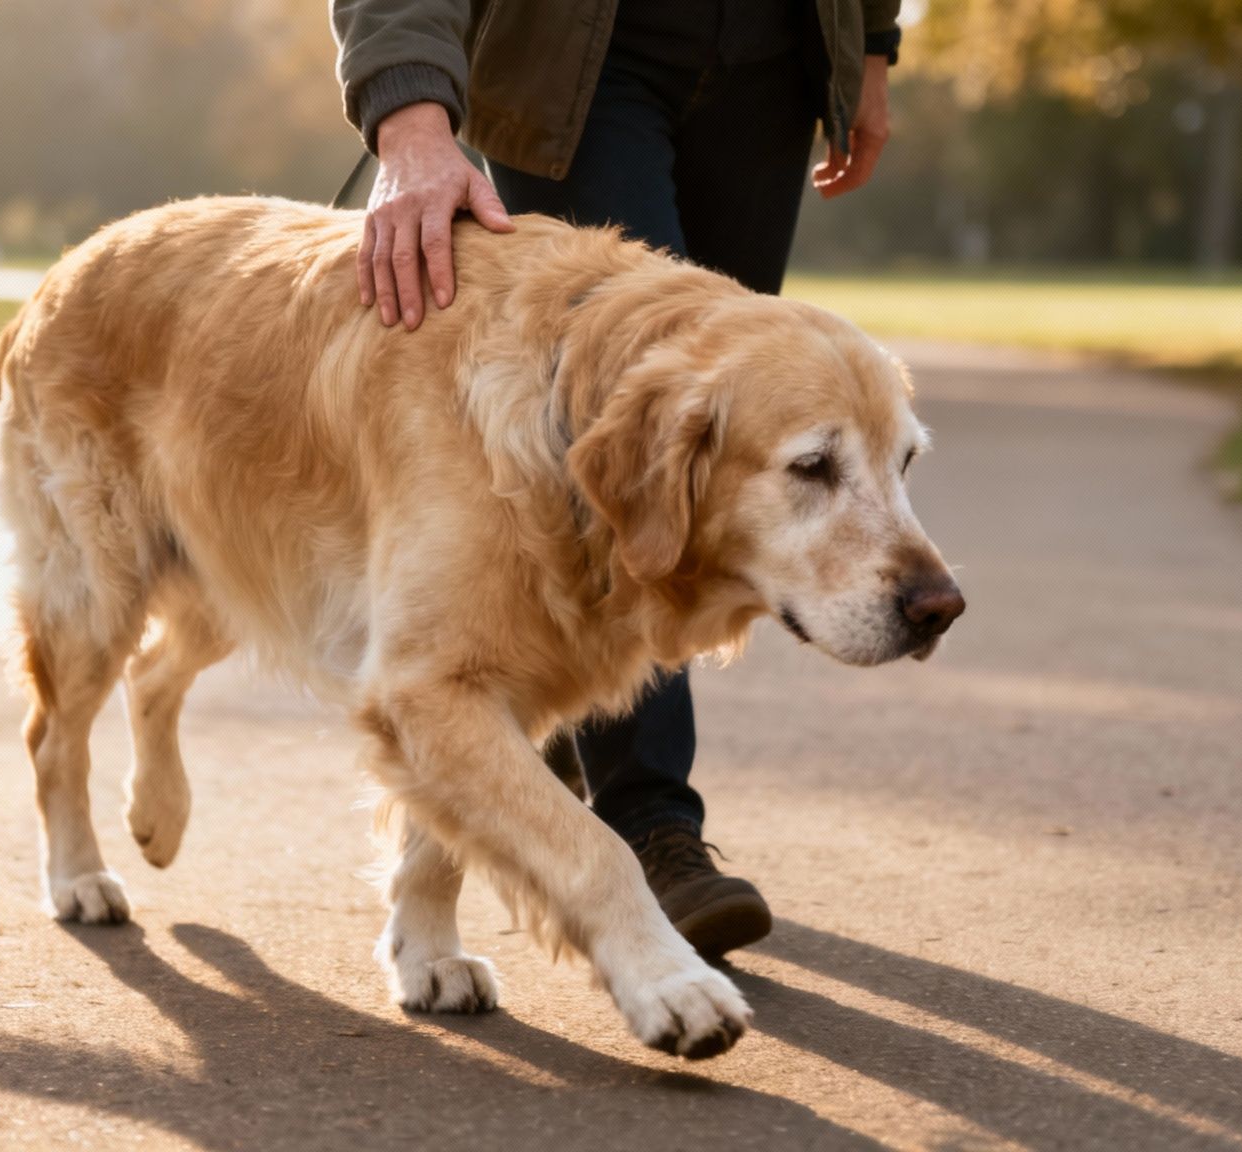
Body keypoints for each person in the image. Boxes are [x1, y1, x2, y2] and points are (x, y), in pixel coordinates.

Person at [330, 0, 902, 959]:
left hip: (777, 59)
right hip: (580, 57)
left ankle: (527, 754)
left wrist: (870, 46)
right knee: (628, 434)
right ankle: (647, 819)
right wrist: (409, 114)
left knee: (721, 458)